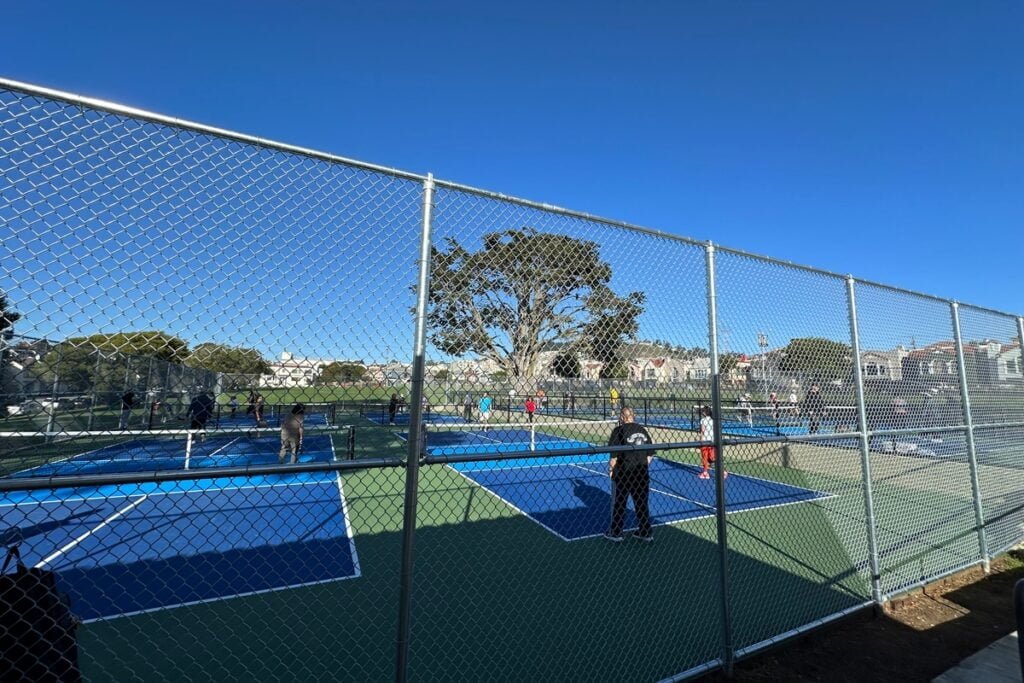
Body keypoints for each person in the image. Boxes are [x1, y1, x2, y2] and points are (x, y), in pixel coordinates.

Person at [605, 406, 655, 542]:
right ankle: (645, 532)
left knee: (620, 503)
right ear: (633, 416)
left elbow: (613, 457)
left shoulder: (618, 431)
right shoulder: (642, 430)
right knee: (641, 504)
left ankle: (616, 532)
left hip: (624, 474)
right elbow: (650, 454)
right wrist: (642, 465)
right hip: (641, 474)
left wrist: (611, 470)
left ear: (622, 417)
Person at [698, 405, 726, 479]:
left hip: (705, 441)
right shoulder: (714, 420)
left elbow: (702, 431)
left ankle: (705, 473)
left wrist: (700, 440)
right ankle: (723, 472)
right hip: (713, 441)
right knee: (713, 458)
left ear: (704, 413)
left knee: (705, 457)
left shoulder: (703, 420)